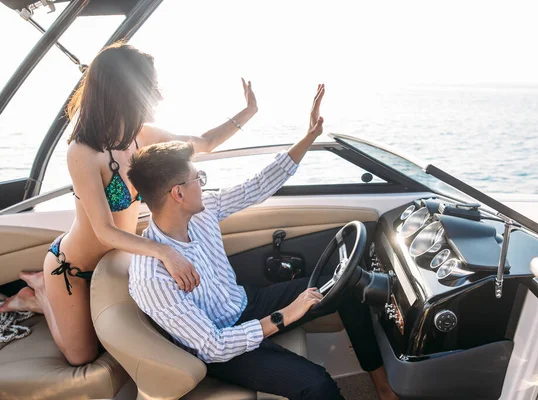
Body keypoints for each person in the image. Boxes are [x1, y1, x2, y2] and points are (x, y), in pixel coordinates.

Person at [127, 85, 399, 400]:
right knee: (317, 384)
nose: (203, 185)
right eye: (198, 179)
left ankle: (384, 390)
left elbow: (258, 185)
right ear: (178, 193)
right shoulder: (152, 277)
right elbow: (213, 346)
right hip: (223, 346)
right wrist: (285, 315)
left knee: (346, 285)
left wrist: (310, 135)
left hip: (246, 304)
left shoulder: (203, 212)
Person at [0, 42, 257, 366]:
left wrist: (247, 112)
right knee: (81, 356)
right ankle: (39, 292)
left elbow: (203, 143)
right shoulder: (82, 153)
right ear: (123, 93)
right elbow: (105, 230)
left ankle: (41, 292)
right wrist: (165, 251)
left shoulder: (143, 136)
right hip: (74, 268)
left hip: (122, 262)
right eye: (150, 87)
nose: (158, 95)